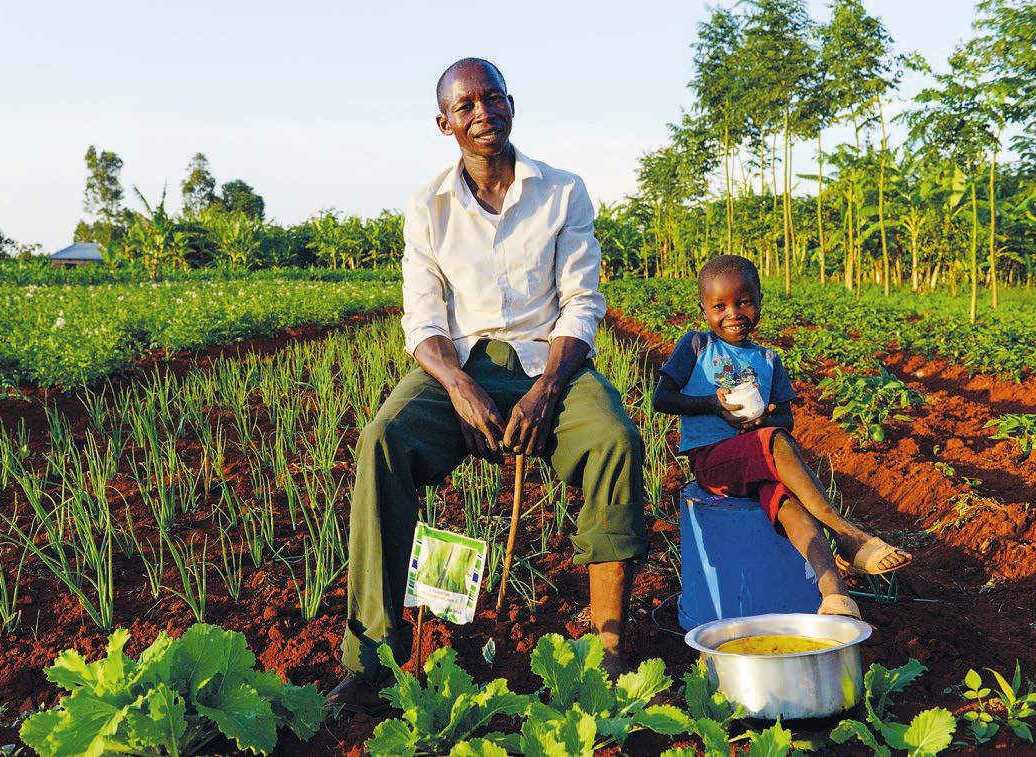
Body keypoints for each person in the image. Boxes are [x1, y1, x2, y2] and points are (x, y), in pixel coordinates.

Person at [326, 57, 647, 713]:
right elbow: (422, 316)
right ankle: (370, 658)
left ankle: (608, 643)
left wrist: (547, 389)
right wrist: (454, 384)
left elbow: (581, 303)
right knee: (382, 439)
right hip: (460, 366)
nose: (481, 113)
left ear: (510, 105)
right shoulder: (426, 206)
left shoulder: (562, 190)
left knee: (614, 438)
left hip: (548, 364)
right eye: (465, 105)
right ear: (443, 122)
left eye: (491, 98)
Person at [652, 254, 912, 620]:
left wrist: (765, 422)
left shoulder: (769, 359)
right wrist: (714, 404)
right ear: (703, 310)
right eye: (720, 306)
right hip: (714, 461)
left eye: (744, 302)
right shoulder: (696, 345)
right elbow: (662, 398)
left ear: (759, 301)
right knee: (775, 441)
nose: (734, 314)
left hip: (757, 459)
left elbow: (785, 417)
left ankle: (835, 595)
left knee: (791, 506)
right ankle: (847, 534)